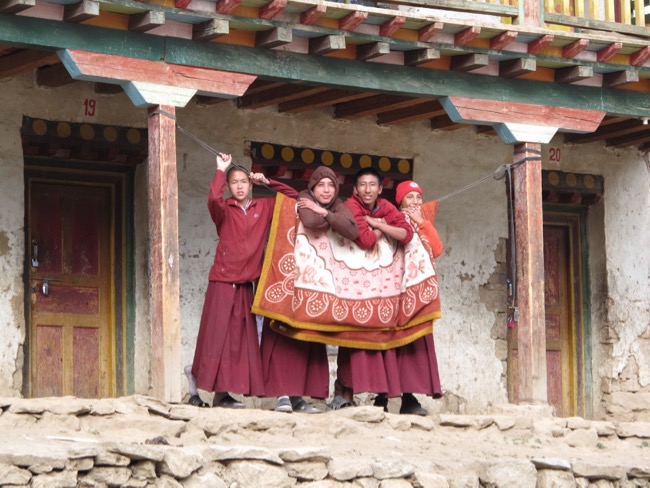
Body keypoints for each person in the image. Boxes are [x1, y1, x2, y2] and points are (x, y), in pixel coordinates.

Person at [189, 153, 298, 409]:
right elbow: (213, 198)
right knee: (218, 337)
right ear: (228, 187)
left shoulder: (264, 207)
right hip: (222, 281)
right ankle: (213, 389)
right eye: (234, 182)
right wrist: (221, 170)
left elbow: (293, 198)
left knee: (238, 342)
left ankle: (224, 394)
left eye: (243, 182)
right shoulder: (224, 210)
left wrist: (267, 182)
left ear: (250, 185)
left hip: (247, 286)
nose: (239, 186)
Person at [261, 166, 358, 413]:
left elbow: (352, 230)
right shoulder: (303, 197)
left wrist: (324, 212)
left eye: (331, 186)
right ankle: (282, 394)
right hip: (293, 280)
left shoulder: (337, 205)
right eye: (321, 185)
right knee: (285, 338)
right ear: (312, 188)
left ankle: (298, 397)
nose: (326, 190)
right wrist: (330, 218)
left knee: (307, 341)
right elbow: (310, 221)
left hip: (318, 284)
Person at [330, 167, 414, 409]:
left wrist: (377, 223)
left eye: (372, 185)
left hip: (379, 288)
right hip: (352, 286)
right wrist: (381, 227)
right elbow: (365, 240)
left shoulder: (385, 207)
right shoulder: (350, 206)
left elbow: (406, 234)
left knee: (380, 339)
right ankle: (343, 395)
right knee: (351, 338)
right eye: (363, 185)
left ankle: (380, 397)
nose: (368, 189)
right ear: (355, 190)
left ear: (380, 189)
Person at [388, 179, 444, 415]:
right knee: (389, 339)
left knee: (414, 342)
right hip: (392, 289)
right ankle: (381, 397)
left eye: (418, 197)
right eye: (409, 197)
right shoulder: (391, 219)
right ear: (400, 201)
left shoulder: (424, 223)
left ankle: (409, 398)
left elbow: (436, 249)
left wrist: (422, 223)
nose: (414, 201)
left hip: (416, 292)